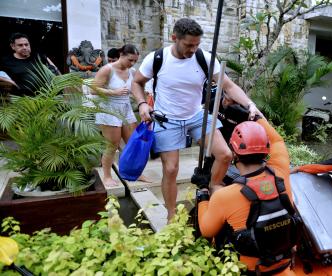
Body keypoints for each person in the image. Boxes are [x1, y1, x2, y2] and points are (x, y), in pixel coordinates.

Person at [132, 18, 260, 220]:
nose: (193, 49)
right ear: (174, 38)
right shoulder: (156, 58)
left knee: (225, 154)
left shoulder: (205, 59)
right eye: (189, 45)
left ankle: (212, 188)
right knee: (171, 168)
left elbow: (229, 87)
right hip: (167, 119)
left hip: (196, 116)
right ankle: (171, 215)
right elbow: (137, 83)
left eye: (197, 44)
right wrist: (141, 104)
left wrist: (250, 104)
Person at [197, 119, 297, 275]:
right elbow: (277, 140)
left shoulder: (224, 196)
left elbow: (206, 231)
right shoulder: (281, 170)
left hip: (249, 270)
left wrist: (203, 193)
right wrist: (254, 114)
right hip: (284, 266)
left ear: (235, 154)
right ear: (266, 149)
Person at [92, 44, 149, 187]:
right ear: (121, 55)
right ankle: (106, 176)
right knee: (112, 145)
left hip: (126, 108)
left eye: (135, 61)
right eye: (130, 60)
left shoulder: (132, 71)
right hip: (109, 109)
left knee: (133, 143)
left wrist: (143, 102)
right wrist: (113, 92)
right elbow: (93, 89)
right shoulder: (107, 69)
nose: (132, 63)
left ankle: (135, 173)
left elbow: (137, 87)